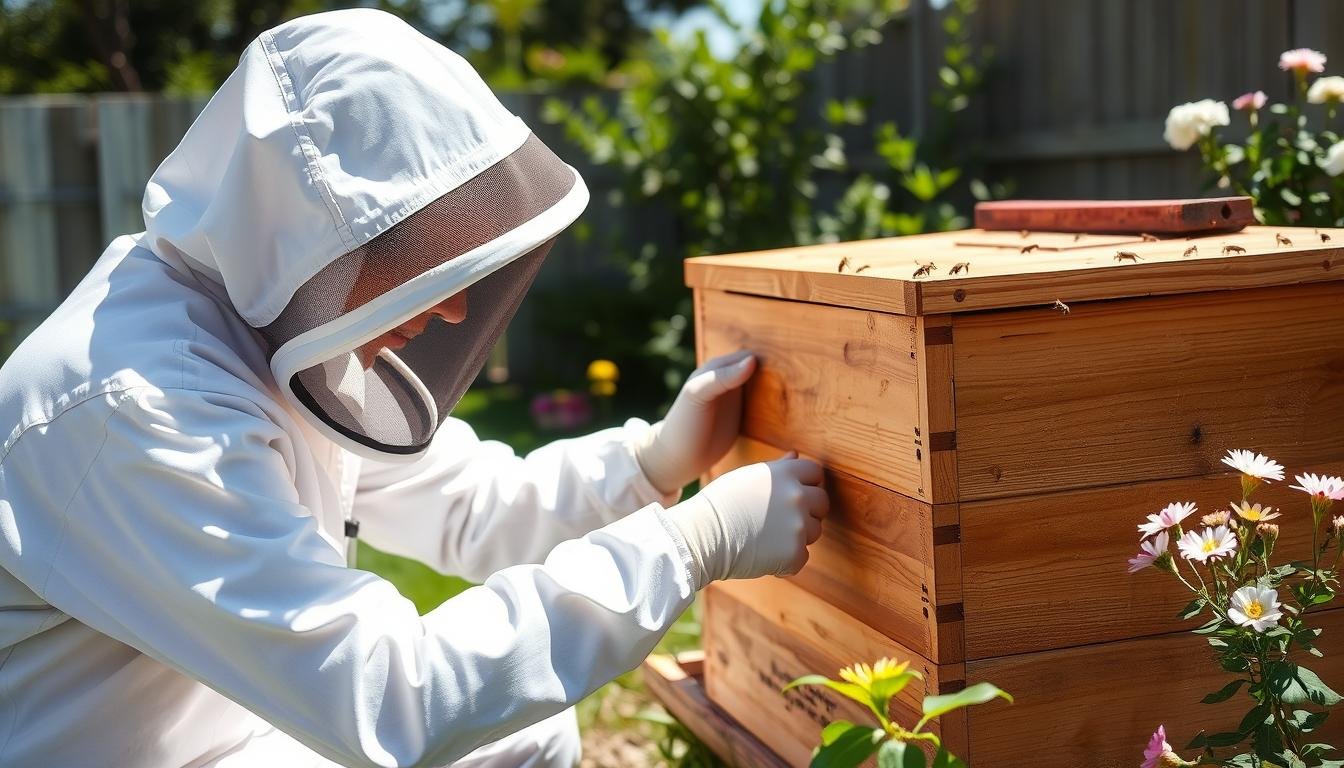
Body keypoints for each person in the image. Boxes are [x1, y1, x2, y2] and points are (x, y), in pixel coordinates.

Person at [0, 9, 829, 768]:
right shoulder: (133, 411)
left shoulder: (258, 325)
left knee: (527, 736)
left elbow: (465, 503)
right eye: (415, 251)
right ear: (305, 235)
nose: (457, 303)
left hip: (225, 735)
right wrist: (689, 547)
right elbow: (388, 699)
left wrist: (648, 462)